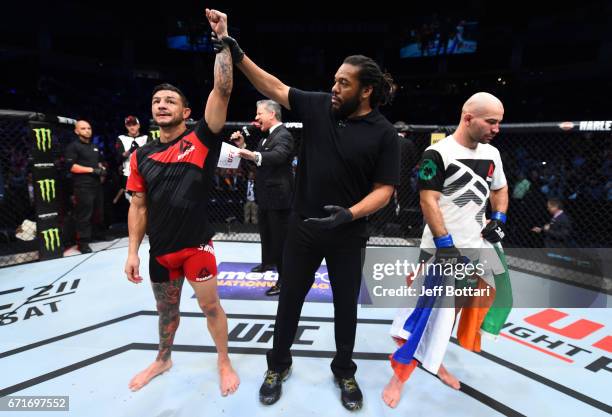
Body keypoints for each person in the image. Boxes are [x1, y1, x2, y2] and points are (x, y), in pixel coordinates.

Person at [207, 9, 401, 410]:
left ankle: (344, 370)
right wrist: (233, 47)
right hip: (304, 226)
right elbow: (274, 87)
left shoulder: (383, 133)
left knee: (345, 306)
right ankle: (277, 364)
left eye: (343, 83)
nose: (334, 88)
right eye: (334, 80)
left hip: (348, 232)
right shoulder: (317, 107)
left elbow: (384, 191)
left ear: (365, 91)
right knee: (290, 298)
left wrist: (349, 214)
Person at [123, 9, 239, 396]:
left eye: (170, 100)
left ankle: (223, 359)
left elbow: (221, 91)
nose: (162, 105)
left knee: (210, 308)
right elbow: (138, 206)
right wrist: (133, 252)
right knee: (166, 312)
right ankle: (163, 357)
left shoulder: (202, 139)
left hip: (196, 247)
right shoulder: (141, 156)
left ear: (186, 112)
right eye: (157, 100)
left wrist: (222, 41)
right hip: (161, 251)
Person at [382, 92, 512, 408]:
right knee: (422, 315)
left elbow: (501, 189)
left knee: (450, 313)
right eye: (491, 121)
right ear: (468, 118)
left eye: (499, 122)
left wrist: (498, 216)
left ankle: (435, 357)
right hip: (440, 251)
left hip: (474, 248)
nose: (496, 128)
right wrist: (445, 244)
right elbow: (428, 201)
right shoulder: (437, 153)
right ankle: (398, 376)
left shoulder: (492, 154)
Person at [230, 99, 295, 296]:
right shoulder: (264, 139)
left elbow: (278, 156)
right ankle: (267, 263)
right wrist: (243, 148)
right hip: (265, 195)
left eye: (259, 114)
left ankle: (285, 281)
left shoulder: (284, 135)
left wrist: (253, 155)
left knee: (280, 239)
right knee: (266, 233)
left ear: (271, 114)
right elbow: (257, 165)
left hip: (279, 197)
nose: (256, 118)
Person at [64, 119, 106, 254]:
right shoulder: (73, 147)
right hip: (83, 186)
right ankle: (82, 243)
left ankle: (94, 235)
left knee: (97, 212)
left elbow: (98, 162)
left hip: (96, 184)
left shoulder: (94, 146)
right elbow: (72, 167)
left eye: (88, 128)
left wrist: (102, 169)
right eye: (83, 128)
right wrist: (92, 170)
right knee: (84, 215)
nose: (87, 130)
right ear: (76, 131)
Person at [115, 115, 150, 203]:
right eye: (129, 125)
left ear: (138, 125)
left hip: (143, 174)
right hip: (128, 174)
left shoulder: (146, 138)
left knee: (144, 201)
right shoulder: (121, 138)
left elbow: (151, 156)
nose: (132, 127)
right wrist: (130, 150)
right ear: (126, 126)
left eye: (134, 124)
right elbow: (118, 157)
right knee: (130, 201)